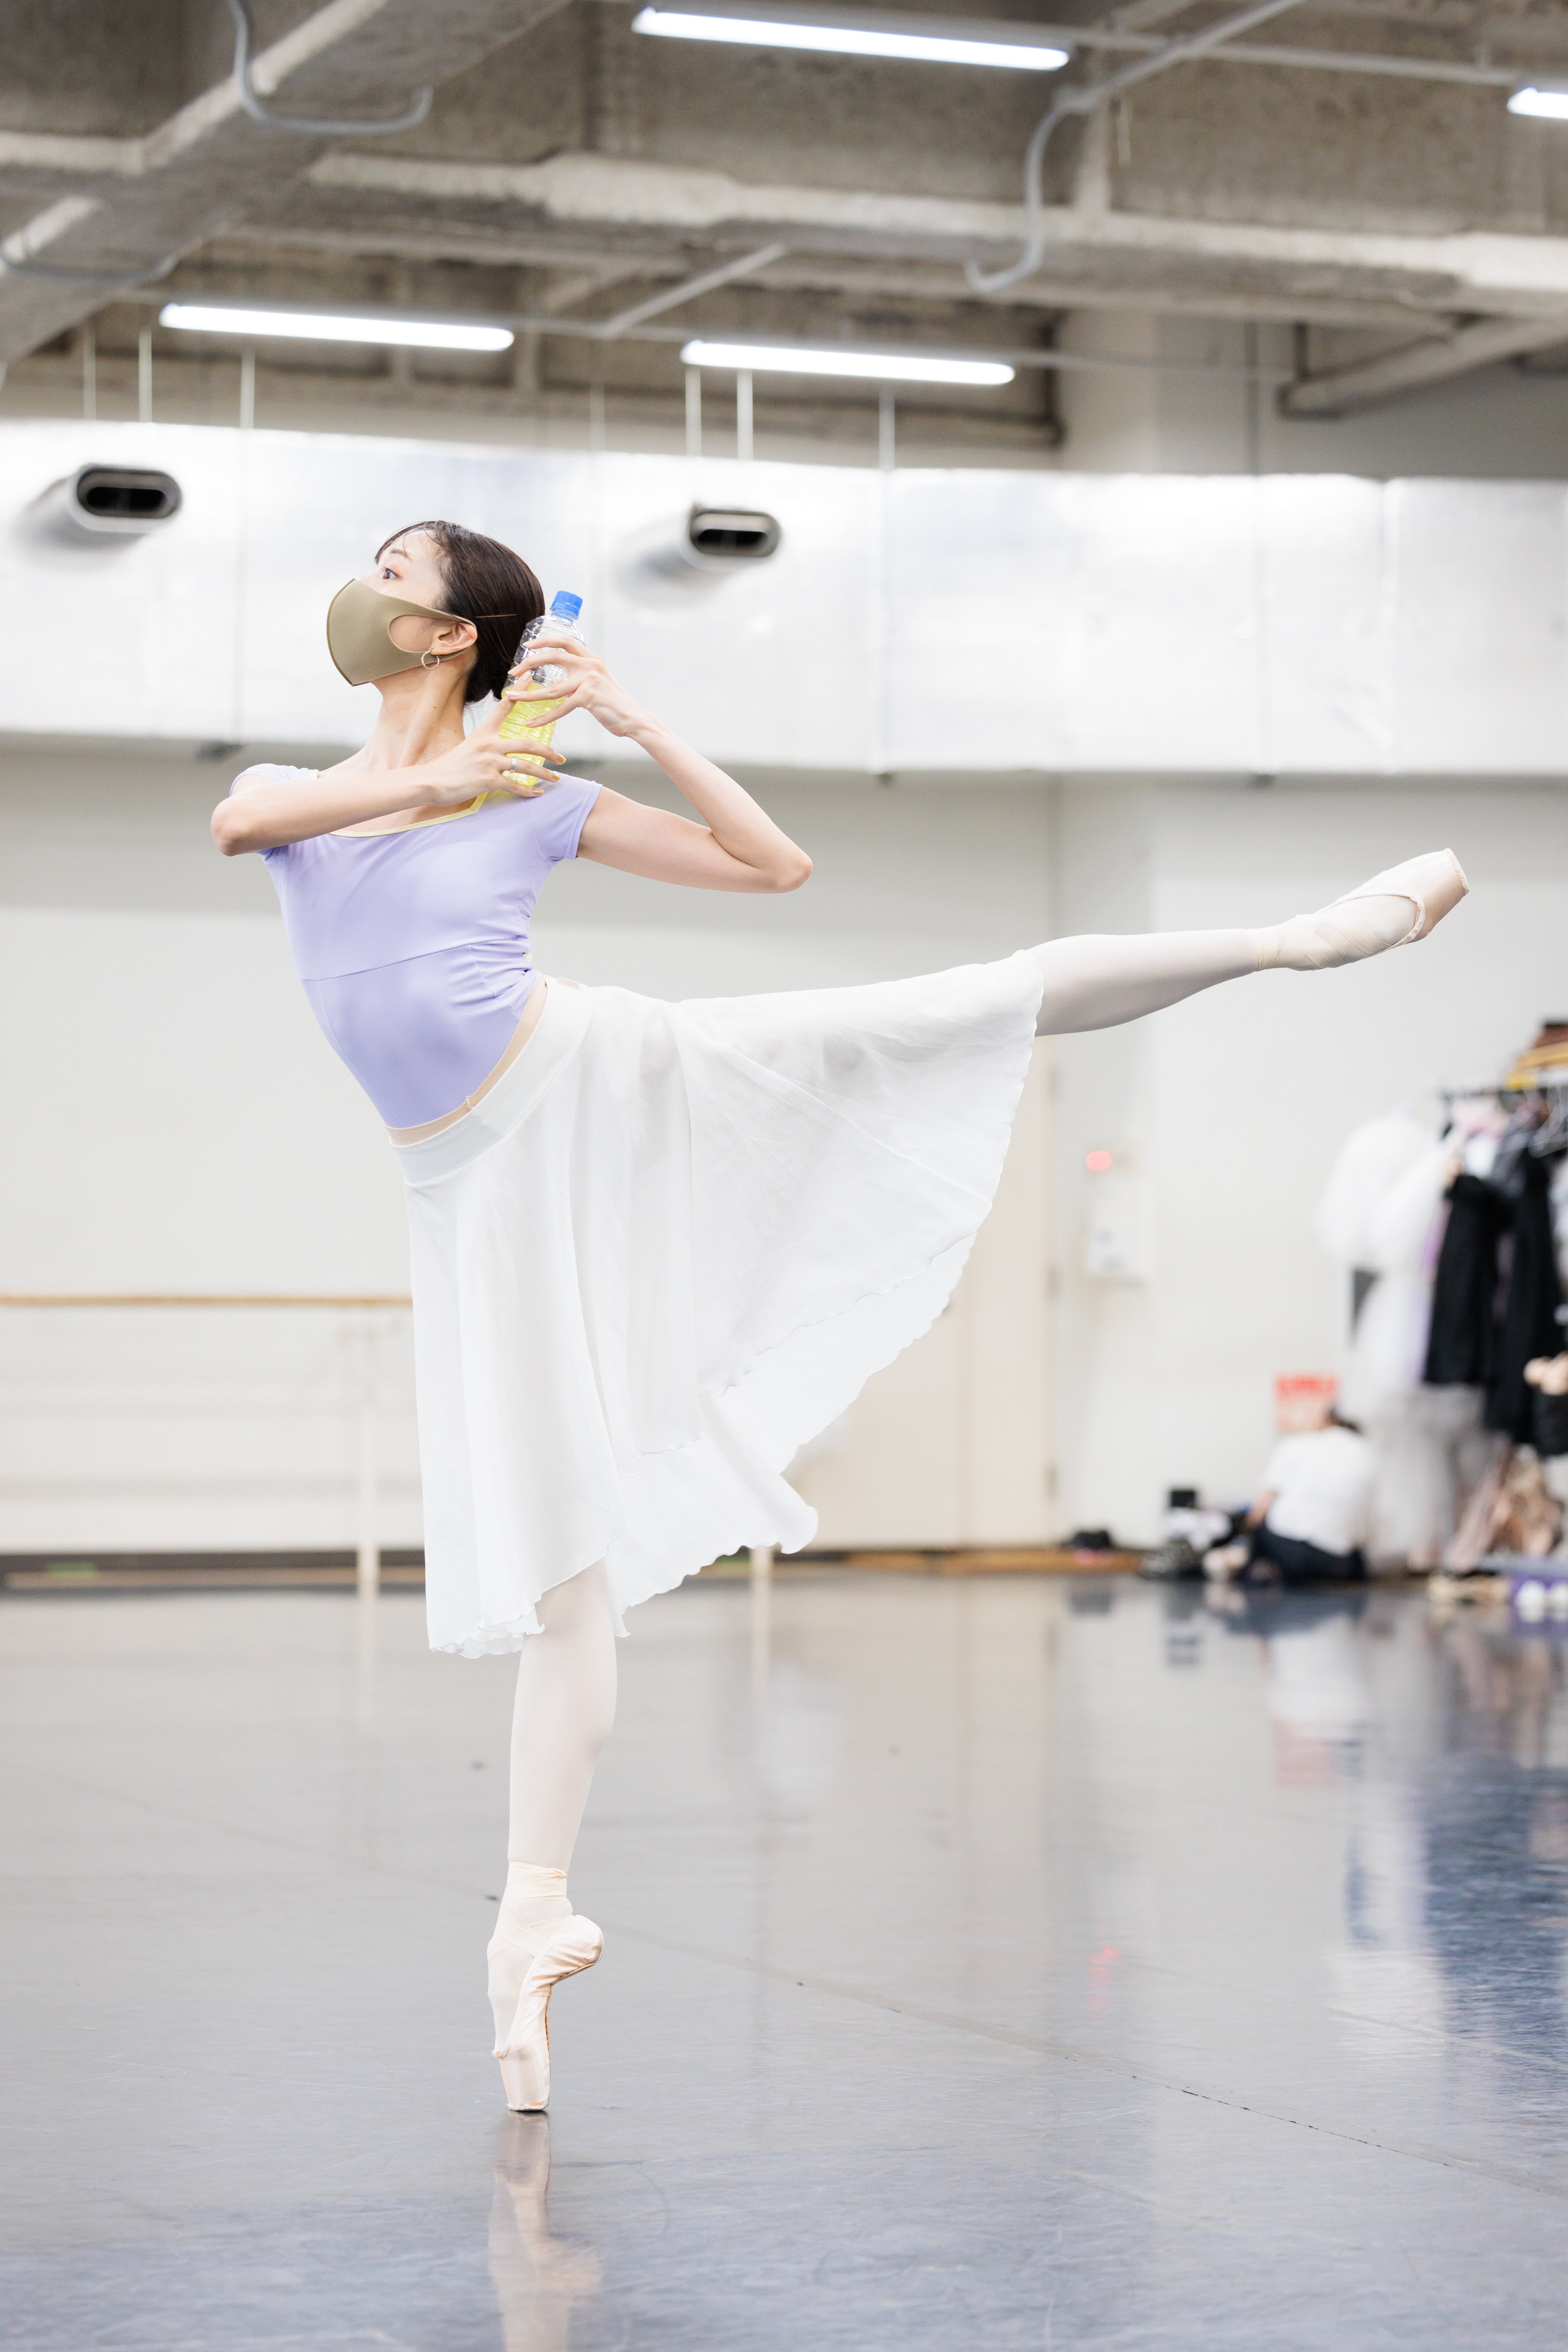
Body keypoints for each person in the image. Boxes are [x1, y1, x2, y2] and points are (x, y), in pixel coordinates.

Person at [210, 518, 1469, 2113]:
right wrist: (442, 783)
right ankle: (532, 1916)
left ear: (455, 633)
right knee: (556, 1556)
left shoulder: (543, 799)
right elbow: (245, 822)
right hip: (463, 1184)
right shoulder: (332, 790)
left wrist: (639, 724)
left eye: (395, 570)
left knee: (930, 1014)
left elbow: (771, 867)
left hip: (591, 1084)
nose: (364, 584)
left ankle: (1301, 938)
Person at [1206, 1407, 1375, 1586]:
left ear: (1326, 1421)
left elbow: (1261, 1508)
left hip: (1294, 1558)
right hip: (1340, 1565)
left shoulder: (1297, 1444)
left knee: (1259, 1524)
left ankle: (1245, 1577)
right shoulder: (1367, 1452)